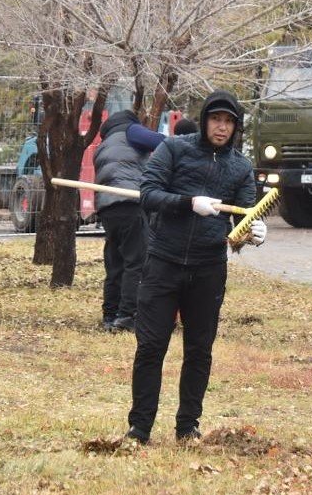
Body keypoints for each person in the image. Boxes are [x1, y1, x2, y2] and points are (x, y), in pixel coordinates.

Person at [125, 91, 268, 444]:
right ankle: (139, 428)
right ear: (204, 120)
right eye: (216, 119)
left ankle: (187, 426)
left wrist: (252, 234)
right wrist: (190, 203)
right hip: (163, 261)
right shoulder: (175, 149)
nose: (222, 127)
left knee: (199, 349)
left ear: (237, 128)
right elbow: (148, 193)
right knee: (150, 346)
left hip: (208, 268)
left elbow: (240, 222)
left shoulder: (241, 167)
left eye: (229, 122)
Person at [93, 109, 162, 333]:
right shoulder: (131, 131)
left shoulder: (103, 145)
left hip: (106, 207)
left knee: (115, 263)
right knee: (135, 261)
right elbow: (163, 143)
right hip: (129, 201)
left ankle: (109, 315)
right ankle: (127, 316)